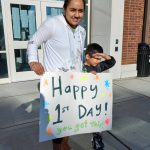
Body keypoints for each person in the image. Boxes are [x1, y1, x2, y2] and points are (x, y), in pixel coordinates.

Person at [27, 0, 86, 149]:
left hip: (74, 85)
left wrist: (84, 75)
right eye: (73, 10)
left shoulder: (81, 31)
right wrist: (33, 61)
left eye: (80, 11)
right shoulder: (52, 24)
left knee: (70, 120)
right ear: (65, 8)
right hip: (56, 87)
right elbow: (33, 42)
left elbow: (77, 57)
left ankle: (66, 145)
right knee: (57, 126)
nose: (77, 15)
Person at [82, 43, 116, 150]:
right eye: (96, 58)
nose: (98, 61)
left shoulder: (98, 66)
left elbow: (111, 62)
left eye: (100, 59)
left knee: (97, 120)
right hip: (83, 100)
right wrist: (86, 75)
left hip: (95, 101)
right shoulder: (80, 67)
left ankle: (97, 139)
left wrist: (105, 56)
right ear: (87, 56)